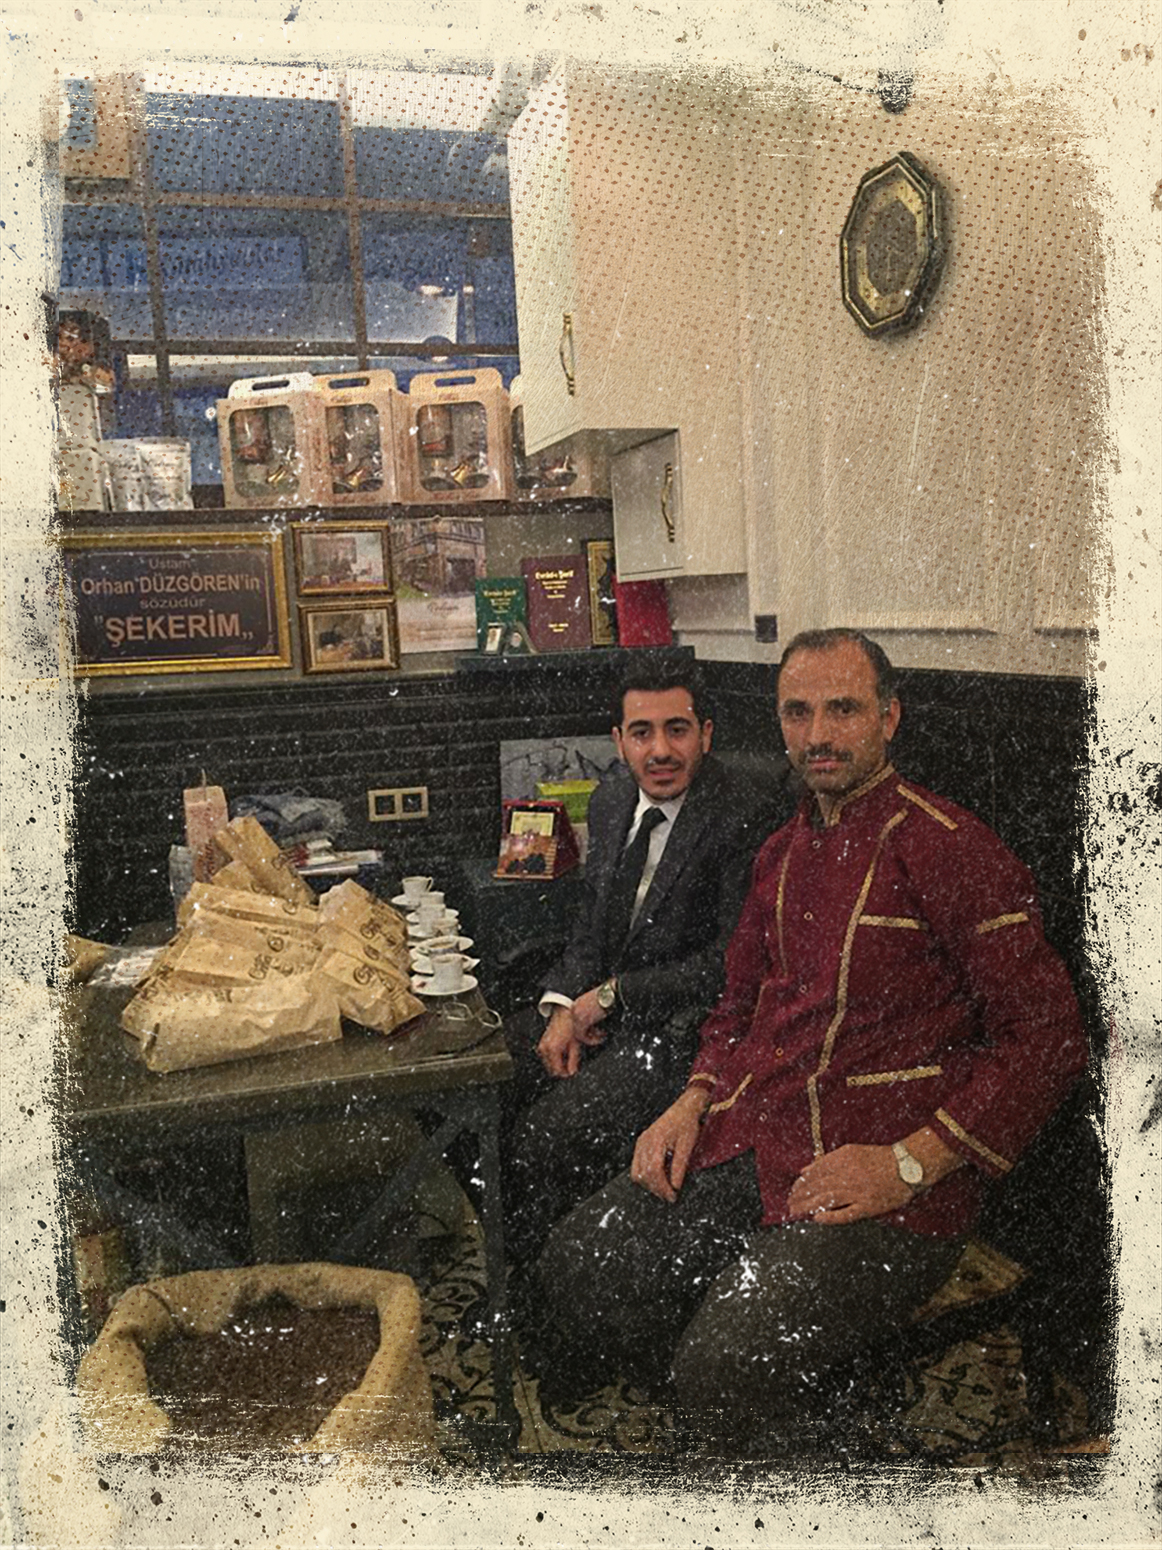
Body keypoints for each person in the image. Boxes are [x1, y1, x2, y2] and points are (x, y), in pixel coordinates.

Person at [532, 629, 1088, 1447]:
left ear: (889, 717)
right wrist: (691, 1100)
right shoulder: (779, 855)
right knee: (580, 1264)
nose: (818, 734)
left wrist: (910, 1163)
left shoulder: (951, 848)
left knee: (723, 1367)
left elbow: (1049, 1036)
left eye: (843, 710)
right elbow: (736, 1004)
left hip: (894, 1187)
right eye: (798, 712)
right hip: (760, 1137)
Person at [501, 660, 782, 1268]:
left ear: (706, 734)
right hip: (603, 1013)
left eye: (677, 729)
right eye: (641, 732)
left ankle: (555, 1280)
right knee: (481, 1079)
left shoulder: (743, 814)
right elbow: (590, 924)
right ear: (618, 741)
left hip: (678, 1033)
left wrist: (609, 996)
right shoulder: (611, 800)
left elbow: (729, 963)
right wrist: (561, 1006)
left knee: (545, 1136)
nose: (660, 750)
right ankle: (512, 1266)